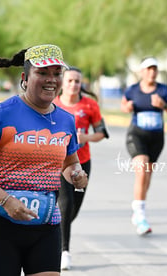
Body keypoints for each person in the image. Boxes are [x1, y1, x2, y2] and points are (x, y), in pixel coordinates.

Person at [0, 44, 88, 276]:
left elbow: (70, 163)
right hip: (1, 224)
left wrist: (77, 175)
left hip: (47, 225)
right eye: (42, 73)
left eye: (57, 73)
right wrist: (7, 201)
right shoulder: (4, 112)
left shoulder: (66, 120)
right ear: (25, 78)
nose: (51, 79)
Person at [53, 66, 109, 270]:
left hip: (83, 162)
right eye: (69, 81)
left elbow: (102, 132)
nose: (73, 85)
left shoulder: (90, 105)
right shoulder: (53, 105)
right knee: (65, 204)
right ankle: (63, 251)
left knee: (72, 210)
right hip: (60, 164)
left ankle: (58, 229)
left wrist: (86, 137)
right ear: (62, 82)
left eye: (77, 81)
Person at [120, 57, 167, 235]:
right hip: (136, 135)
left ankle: (138, 207)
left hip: (156, 139)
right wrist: (127, 108)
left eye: (154, 69)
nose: (152, 72)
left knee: (147, 176)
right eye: (148, 69)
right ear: (142, 72)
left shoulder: (163, 90)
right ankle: (139, 215)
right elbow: (123, 105)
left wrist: (164, 106)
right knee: (141, 170)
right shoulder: (133, 90)